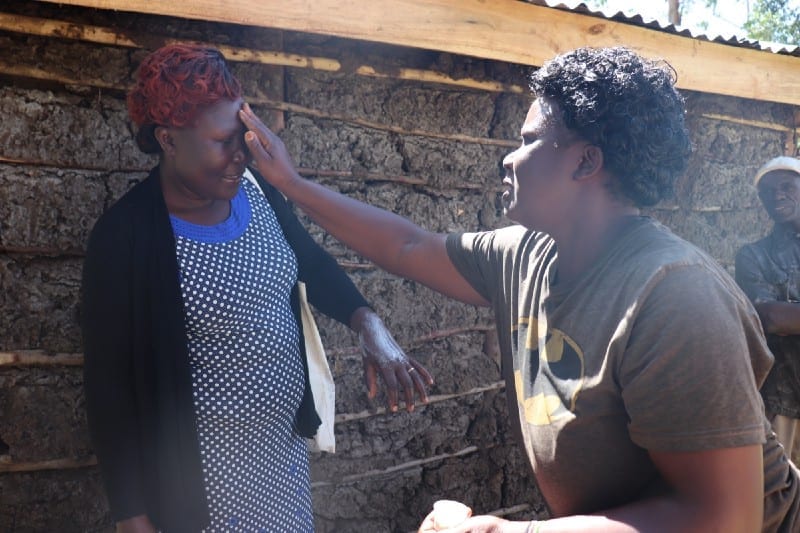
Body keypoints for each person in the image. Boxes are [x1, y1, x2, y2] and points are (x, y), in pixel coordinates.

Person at [239, 46, 800, 532]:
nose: (507, 157)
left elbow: (724, 520)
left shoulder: (673, 297)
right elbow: (410, 247)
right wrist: (291, 184)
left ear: (586, 161)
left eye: (529, 140)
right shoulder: (527, 254)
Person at [81, 43, 433, 533]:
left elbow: (307, 260)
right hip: (200, 487)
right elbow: (109, 390)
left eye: (244, 138)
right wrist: (132, 518)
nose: (240, 156)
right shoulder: (127, 237)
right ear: (168, 139)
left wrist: (367, 321)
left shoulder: (257, 192)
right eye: (224, 141)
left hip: (281, 465)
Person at [736, 156, 800, 466]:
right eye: (768, 192)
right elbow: (770, 317)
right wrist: (783, 316)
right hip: (782, 397)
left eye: (787, 187)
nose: (777, 196)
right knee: (779, 494)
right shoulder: (753, 255)